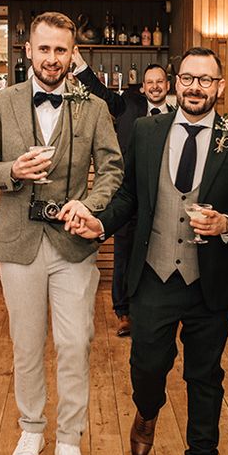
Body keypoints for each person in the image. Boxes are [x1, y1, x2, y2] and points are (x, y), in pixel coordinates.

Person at [64, 47, 228, 455]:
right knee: (147, 367)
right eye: (188, 78)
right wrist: (101, 224)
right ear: (177, 83)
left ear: (219, 87)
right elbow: (128, 197)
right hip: (154, 276)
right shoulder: (146, 130)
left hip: (210, 285)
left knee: (205, 378)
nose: (196, 87)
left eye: (206, 80)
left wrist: (227, 225)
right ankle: (147, 411)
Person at [0, 12, 122, 455]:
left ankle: (70, 439)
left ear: (72, 54)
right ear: (29, 51)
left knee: (76, 343)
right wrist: (12, 170)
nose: (52, 58)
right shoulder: (2, 103)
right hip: (19, 243)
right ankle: (31, 428)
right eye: (44, 49)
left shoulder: (93, 107)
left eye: (61, 50)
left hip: (72, 244)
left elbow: (113, 171)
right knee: (27, 343)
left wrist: (89, 204)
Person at [73, 53, 172, 337]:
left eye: (159, 82)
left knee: (158, 251)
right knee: (124, 254)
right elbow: (100, 92)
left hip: (162, 197)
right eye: (149, 82)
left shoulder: (178, 116)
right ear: (142, 87)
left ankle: (156, 308)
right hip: (129, 194)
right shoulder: (127, 106)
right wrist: (80, 65)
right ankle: (124, 312)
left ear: (168, 85)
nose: (154, 87)